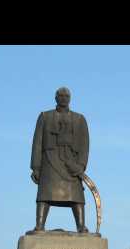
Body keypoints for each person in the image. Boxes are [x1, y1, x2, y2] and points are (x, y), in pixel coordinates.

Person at [30, 87, 89, 233]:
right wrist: (36, 167)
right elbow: (37, 143)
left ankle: (81, 226)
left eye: (66, 96)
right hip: (50, 161)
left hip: (71, 163)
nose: (63, 98)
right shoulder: (45, 116)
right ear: (55, 98)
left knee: (76, 196)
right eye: (60, 95)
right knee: (44, 195)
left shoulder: (79, 119)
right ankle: (39, 225)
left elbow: (84, 145)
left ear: (70, 98)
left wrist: (81, 165)